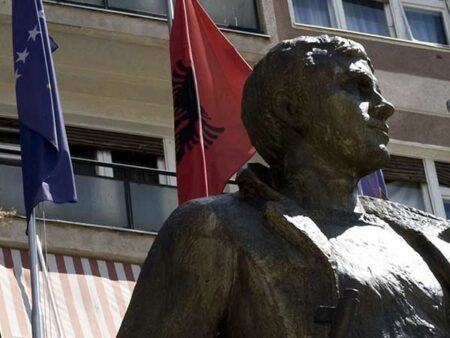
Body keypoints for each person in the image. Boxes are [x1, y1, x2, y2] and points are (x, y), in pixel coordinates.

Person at [118, 35, 450, 338]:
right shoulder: (217, 228)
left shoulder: (429, 239)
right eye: (357, 87)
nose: (384, 106)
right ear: (291, 109)